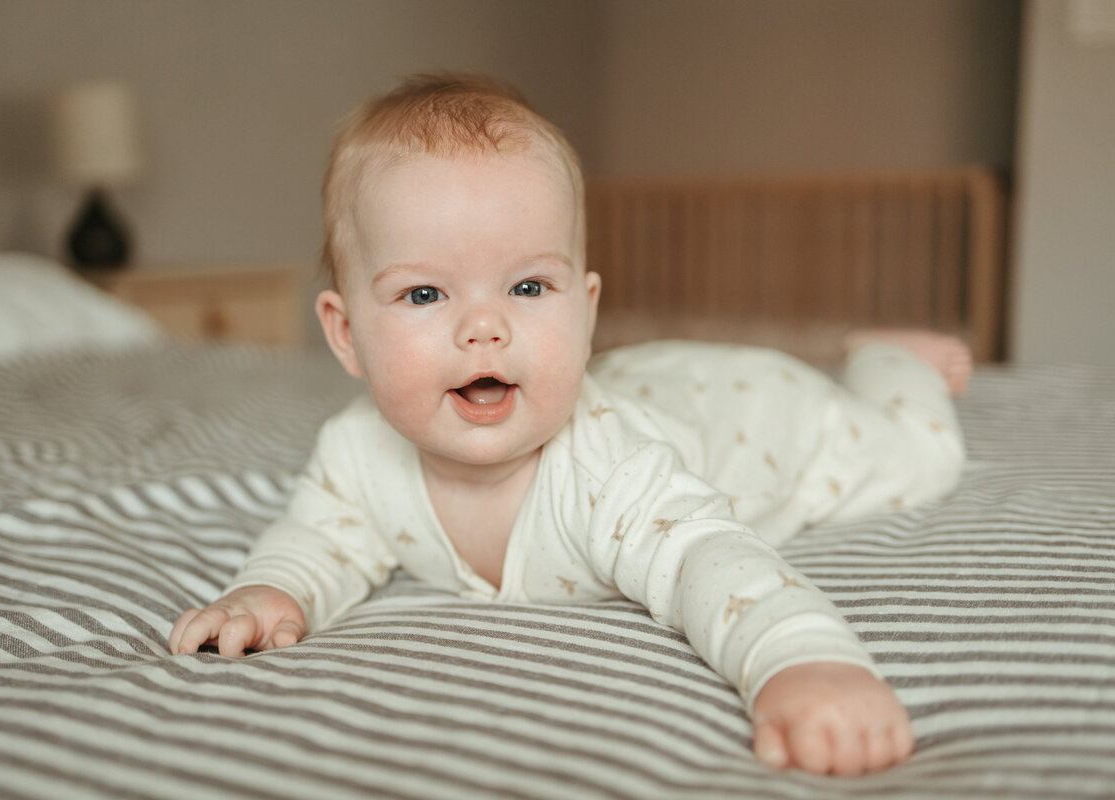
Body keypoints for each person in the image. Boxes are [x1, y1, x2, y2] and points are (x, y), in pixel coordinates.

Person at [169, 74, 972, 776]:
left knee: (921, 458)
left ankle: (888, 360)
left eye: (527, 288)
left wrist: (802, 663)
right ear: (345, 335)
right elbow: (318, 537)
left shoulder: (609, 469)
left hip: (756, 417)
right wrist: (265, 593)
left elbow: (709, 560)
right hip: (651, 380)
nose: (484, 329)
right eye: (424, 295)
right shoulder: (357, 451)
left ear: (585, 312)